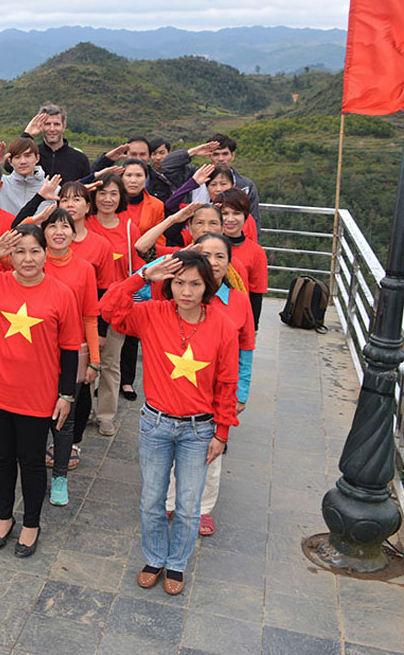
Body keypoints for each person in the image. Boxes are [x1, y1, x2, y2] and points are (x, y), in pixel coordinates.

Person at [99, 251, 239, 596]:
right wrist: (144, 275)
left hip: (198, 429)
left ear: (207, 286)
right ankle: (154, 557)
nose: (186, 291)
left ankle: (176, 563)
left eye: (195, 283)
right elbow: (109, 309)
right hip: (155, 425)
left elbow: (227, 382)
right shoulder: (151, 314)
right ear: (169, 284)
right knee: (152, 500)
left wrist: (221, 432)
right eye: (178, 282)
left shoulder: (221, 324)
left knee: (189, 506)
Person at [0, 226, 83, 558]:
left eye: (35, 250)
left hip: (38, 396)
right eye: (19, 251)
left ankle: (32, 524)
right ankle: (3, 518)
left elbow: (69, 349)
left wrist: (66, 396)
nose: (28, 259)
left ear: (46, 253)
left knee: (32, 462)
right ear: (9, 255)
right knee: (2, 459)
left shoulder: (61, 293)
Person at [156, 233, 254, 537]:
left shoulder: (238, 301)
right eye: (205, 255)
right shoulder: (179, 293)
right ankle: (172, 500)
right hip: (178, 389)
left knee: (211, 456)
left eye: (219, 256)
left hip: (218, 393)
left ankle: (203, 508)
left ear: (229, 262)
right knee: (173, 450)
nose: (212, 263)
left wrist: (242, 391)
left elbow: (247, 348)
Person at [37, 207, 100, 506]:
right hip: (34, 351)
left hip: (72, 352)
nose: (59, 232)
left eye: (65, 226)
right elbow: (17, 228)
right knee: (35, 416)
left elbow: (90, 316)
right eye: (52, 226)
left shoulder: (85, 268)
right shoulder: (32, 261)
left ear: (75, 234)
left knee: (65, 419)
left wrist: (94, 361)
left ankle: (60, 476)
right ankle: (34, 471)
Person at [85, 174, 141, 430]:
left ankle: (106, 414)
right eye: (102, 193)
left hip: (116, 309)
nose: (107, 199)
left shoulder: (130, 229)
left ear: (121, 197)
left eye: (113, 193)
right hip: (84, 307)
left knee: (110, 363)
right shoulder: (83, 223)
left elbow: (138, 272)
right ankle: (84, 411)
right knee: (84, 363)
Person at [161, 134, 261, 226]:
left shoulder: (246, 186)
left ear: (233, 155)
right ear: (209, 156)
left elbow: (253, 220)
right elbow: (166, 166)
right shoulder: (194, 176)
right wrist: (192, 152)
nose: (221, 158)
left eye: (225, 154)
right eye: (216, 154)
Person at [216, 188, 268, 331]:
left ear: (245, 216)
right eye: (224, 213)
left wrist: (252, 328)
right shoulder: (206, 246)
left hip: (236, 321)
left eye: (236, 213)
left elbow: (256, 293)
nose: (230, 219)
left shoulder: (256, 252)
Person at [21, 103, 91, 182]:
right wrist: (27, 135)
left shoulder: (80, 159)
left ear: (64, 126)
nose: (52, 129)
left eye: (56, 124)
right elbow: (9, 166)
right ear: (41, 126)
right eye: (47, 124)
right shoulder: (32, 154)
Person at [0, 137, 46, 215]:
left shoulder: (52, 188)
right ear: (10, 161)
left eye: (27, 156)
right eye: (17, 157)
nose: (23, 161)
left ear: (37, 158)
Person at [121, 158, 165, 235]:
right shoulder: (111, 203)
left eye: (139, 175)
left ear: (146, 179)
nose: (133, 180)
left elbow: (159, 240)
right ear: (121, 178)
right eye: (128, 175)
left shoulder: (157, 206)